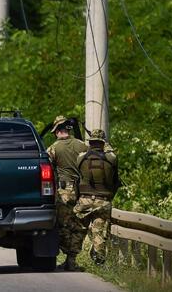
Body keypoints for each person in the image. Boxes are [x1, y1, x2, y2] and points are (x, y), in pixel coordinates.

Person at [46, 115, 88, 271]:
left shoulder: (53, 148)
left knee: (63, 226)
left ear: (57, 131)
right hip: (83, 191)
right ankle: (72, 259)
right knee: (78, 226)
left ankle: (68, 258)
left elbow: (44, 167)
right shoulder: (82, 146)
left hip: (64, 192)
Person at [75, 129, 120, 266]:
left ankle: (71, 260)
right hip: (103, 201)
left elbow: (78, 177)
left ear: (90, 142)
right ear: (102, 143)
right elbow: (115, 180)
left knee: (77, 230)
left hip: (84, 200)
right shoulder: (111, 158)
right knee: (99, 232)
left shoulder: (81, 157)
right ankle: (99, 261)